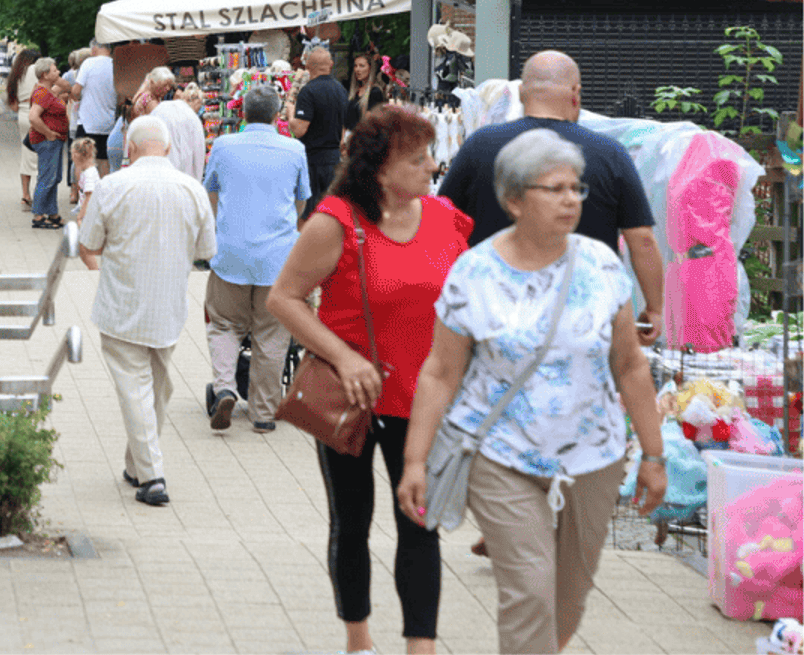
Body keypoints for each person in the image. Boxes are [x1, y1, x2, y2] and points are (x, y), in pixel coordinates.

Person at [397, 129, 668, 655]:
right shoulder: (473, 273)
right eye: (555, 189)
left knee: (568, 599)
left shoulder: (601, 266)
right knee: (529, 590)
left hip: (594, 454)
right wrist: (415, 461)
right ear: (514, 200)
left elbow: (630, 365)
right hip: (500, 452)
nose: (571, 200)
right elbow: (440, 373)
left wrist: (654, 455)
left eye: (576, 188)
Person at [266, 105, 472, 655]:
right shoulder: (336, 222)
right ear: (381, 170)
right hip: (354, 397)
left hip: (425, 399)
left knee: (419, 524)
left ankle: (420, 648)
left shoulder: (445, 217)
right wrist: (344, 356)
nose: (431, 167)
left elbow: (469, 301)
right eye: (417, 159)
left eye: (429, 155)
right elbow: (283, 298)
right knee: (352, 521)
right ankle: (358, 641)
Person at [437, 50, 664, 344]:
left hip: (491, 319)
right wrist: (655, 308)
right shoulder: (611, 155)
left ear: (521, 92)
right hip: (583, 324)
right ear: (576, 94)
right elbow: (642, 240)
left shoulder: (479, 145)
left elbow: (442, 223)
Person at [77, 116, 215, 507]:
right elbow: (207, 251)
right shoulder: (192, 189)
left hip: (122, 304)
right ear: (169, 149)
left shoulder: (112, 186)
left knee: (141, 389)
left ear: (130, 148)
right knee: (155, 387)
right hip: (169, 306)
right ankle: (139, 467)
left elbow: (89, 243)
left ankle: (150, 475)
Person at [202, 86, 310, 433]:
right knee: (272, 334)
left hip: (230, 252)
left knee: (223, 323)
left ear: (243, 113)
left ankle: (225, 387)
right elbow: (301, 202)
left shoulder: (222, 145)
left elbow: (211, 191)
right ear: (278, 115)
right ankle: (263, 413)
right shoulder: (295, 149)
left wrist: (224, 226)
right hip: (276, 260)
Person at [288, 44, 349, 217]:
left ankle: (306, 244)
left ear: (307, 67)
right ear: (330, 65)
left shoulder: (308, 92)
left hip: (312, 161)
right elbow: (344, 127)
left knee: (307, 212)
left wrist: (290, 110)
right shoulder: (341, 90)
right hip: (334, 159)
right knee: (332, 213)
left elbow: (299, 129)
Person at [26, 57, 71, 230]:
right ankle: (38, 215)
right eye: (54, 70)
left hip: (53, 141)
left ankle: (52, 214)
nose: (58, 72)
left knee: (54, 177)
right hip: (47, 141)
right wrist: (49, 133)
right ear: (45, 74)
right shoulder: (43, 93)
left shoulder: (48, 90)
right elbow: (33, 116)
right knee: (47, 177)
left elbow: (67, 86)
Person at [72, 43, 117, 180]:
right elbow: (120, 97)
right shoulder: (116, 65)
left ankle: (83, 195)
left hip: (87, 122)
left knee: (82, 160)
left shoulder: (88, 63)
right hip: (108, 123)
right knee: (104, 160)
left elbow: (76, 91)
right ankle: (102, 194)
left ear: (94, 48)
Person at [6, 49, 42, 211]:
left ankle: (25, 194)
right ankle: (41, 193)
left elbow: (13, 105)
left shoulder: (17, 74)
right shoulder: (38, 70)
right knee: (43, 154)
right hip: (38, 113)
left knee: (26, 154)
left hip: (22, 115)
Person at [347, 51, 389, 127]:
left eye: (362, 66)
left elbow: (369, 122)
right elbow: (346, 121)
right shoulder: (355, 91)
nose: (357, 69)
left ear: (370, 69)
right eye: (355, 66)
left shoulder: (375, 92)